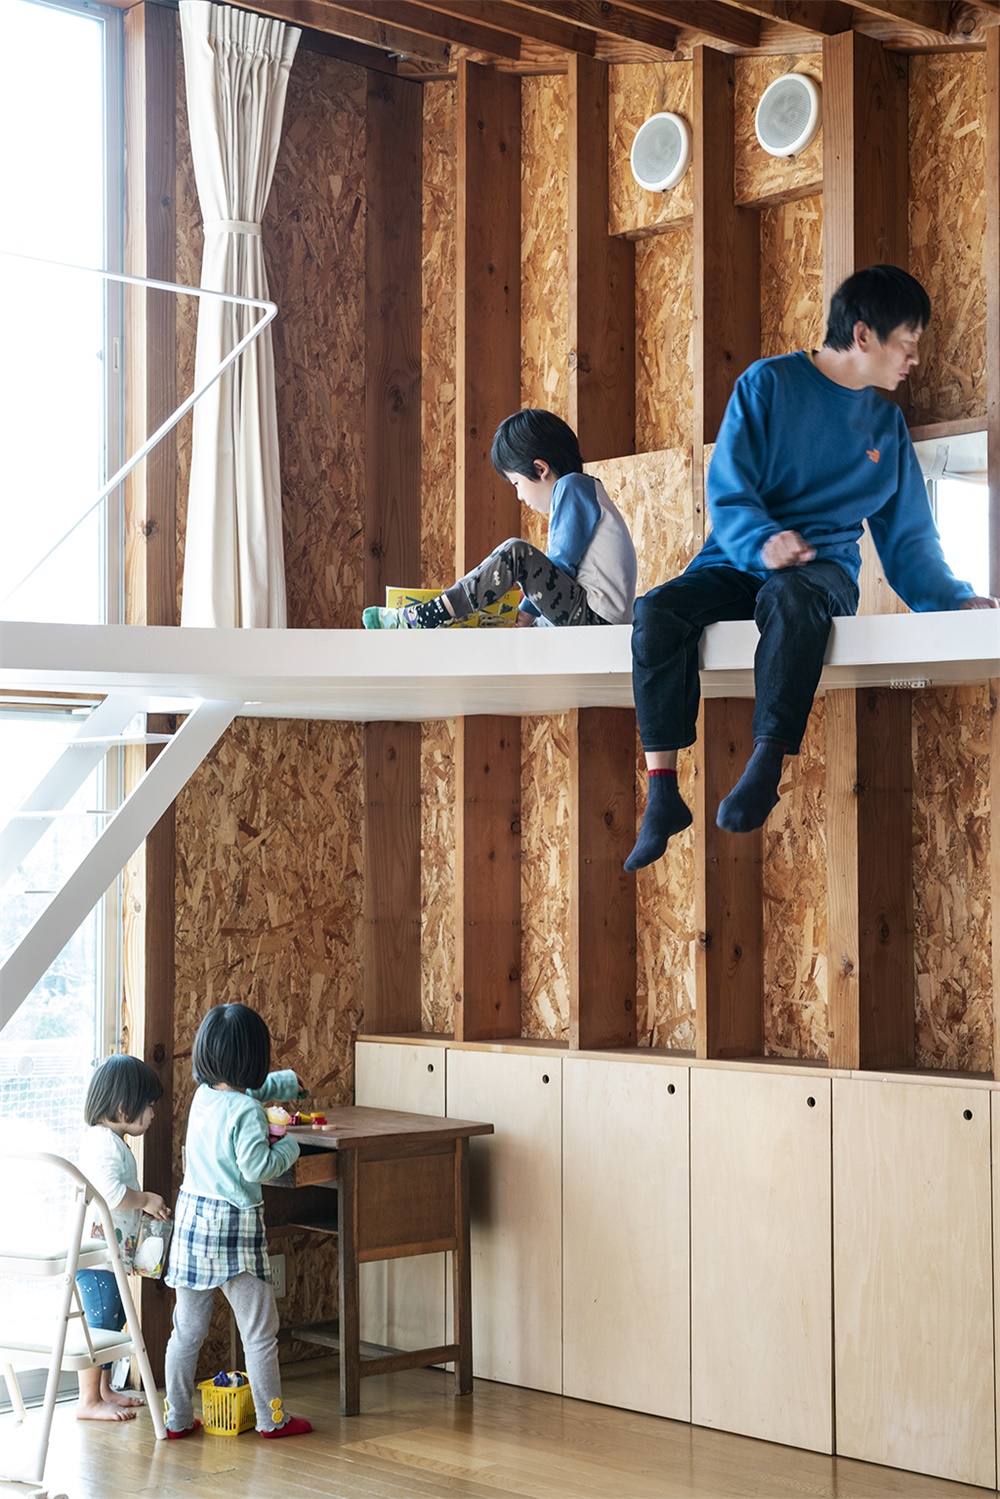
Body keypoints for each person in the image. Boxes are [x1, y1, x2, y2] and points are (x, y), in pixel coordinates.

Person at [625, 264, 998, 873]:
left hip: (818, 572)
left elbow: (909, 542)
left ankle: (766, 763)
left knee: (792, 599)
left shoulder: (886, 428)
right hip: (742, 557)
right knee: (658, 611)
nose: (914, 361)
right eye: (907, 345)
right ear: (862, 336)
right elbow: (729, 487)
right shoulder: (767, 384)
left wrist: (954, 601)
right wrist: (763, 541)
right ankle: (662, 794)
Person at [163, 1003, 312, 1440]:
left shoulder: (204, 1097)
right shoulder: (247, 1112)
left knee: (186, 1332)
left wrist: (284, 1083)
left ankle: (176, 1418)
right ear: (254, 1059)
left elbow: (249, 1090)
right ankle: (273, 1419)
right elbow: (256, 1167)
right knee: (260, 1332)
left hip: (192, 1224)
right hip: (234, 1230)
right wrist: (293, 1147)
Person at [362, 408, 637, 631]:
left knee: (516, 553)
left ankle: (428, 615)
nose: (518, 495)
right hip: (590, 616)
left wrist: (527, 611)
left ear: (540, 469)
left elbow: (561, 565)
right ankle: (450, 616)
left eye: (516, 483)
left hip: (595, 619)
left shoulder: (572, 487)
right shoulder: (586, 491)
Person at [76, 1053, 170, 1422]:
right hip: (95, 1257)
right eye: (147, 1106)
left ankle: (102, 1390)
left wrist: (143, 1206)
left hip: (107, 1255)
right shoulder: (103, 1143)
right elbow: (111, 1194)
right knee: (100, 1323)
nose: (152, 1114)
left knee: (112, 1320)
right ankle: (87, 1399)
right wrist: (144, 1199)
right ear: (121, 1106)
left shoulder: (112, 1142)